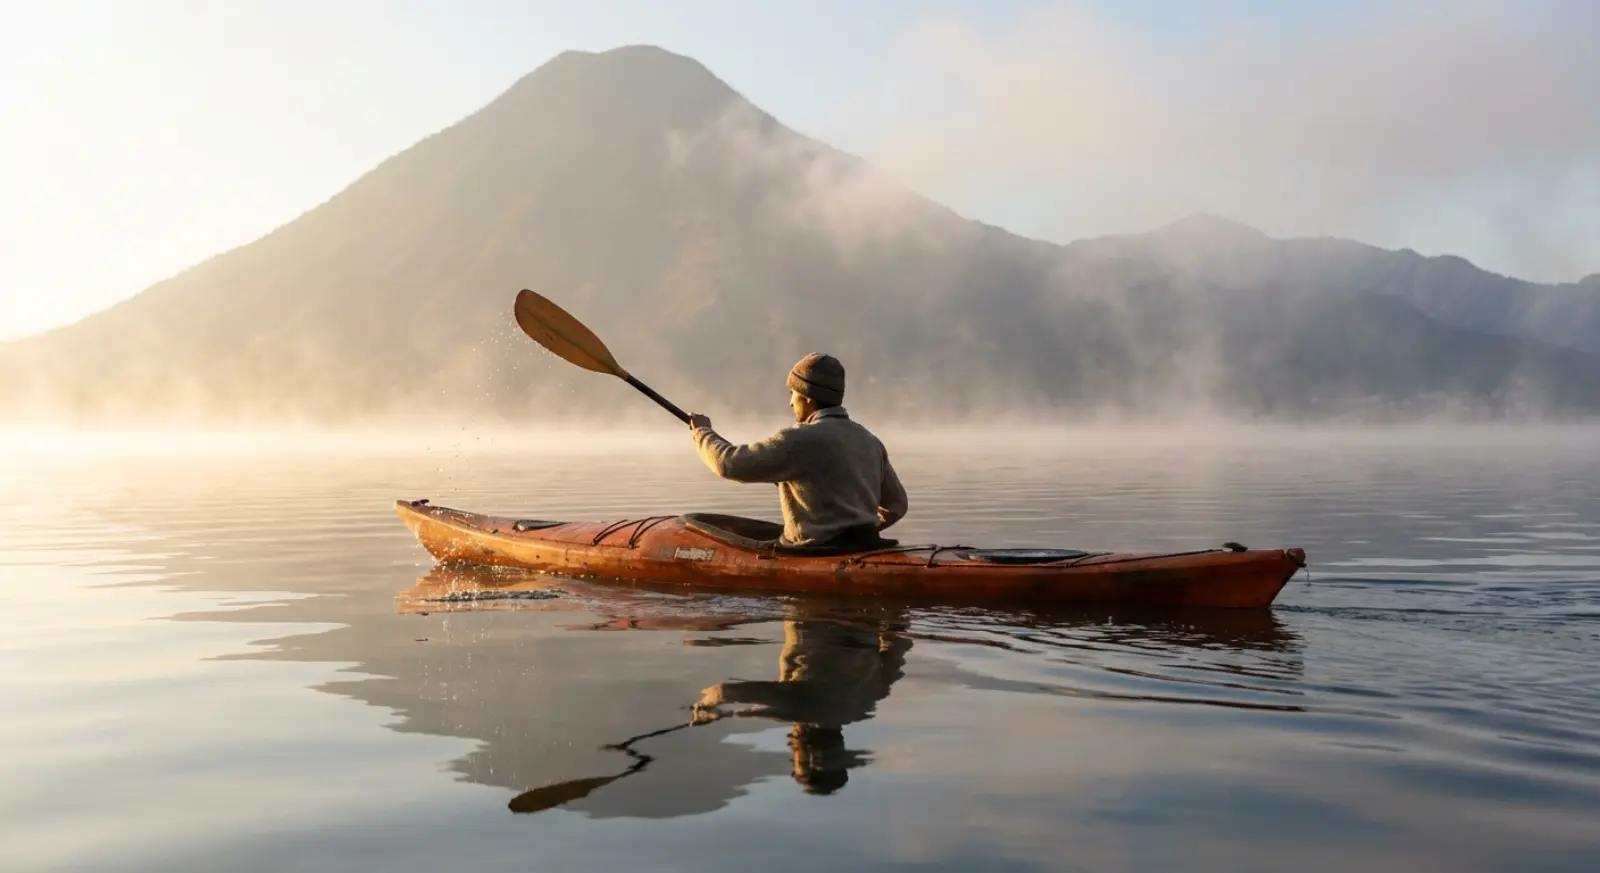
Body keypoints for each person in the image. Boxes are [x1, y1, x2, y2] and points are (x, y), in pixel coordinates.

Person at [685, 353, 908, 549]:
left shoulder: (797, 440)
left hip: (813, 550)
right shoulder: (869, 440)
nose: (791, 403)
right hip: (865, 544)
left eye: (793, 393)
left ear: (807, 396)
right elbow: (897, 505)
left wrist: (703, 432)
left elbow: (728, 464)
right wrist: (856, 531)